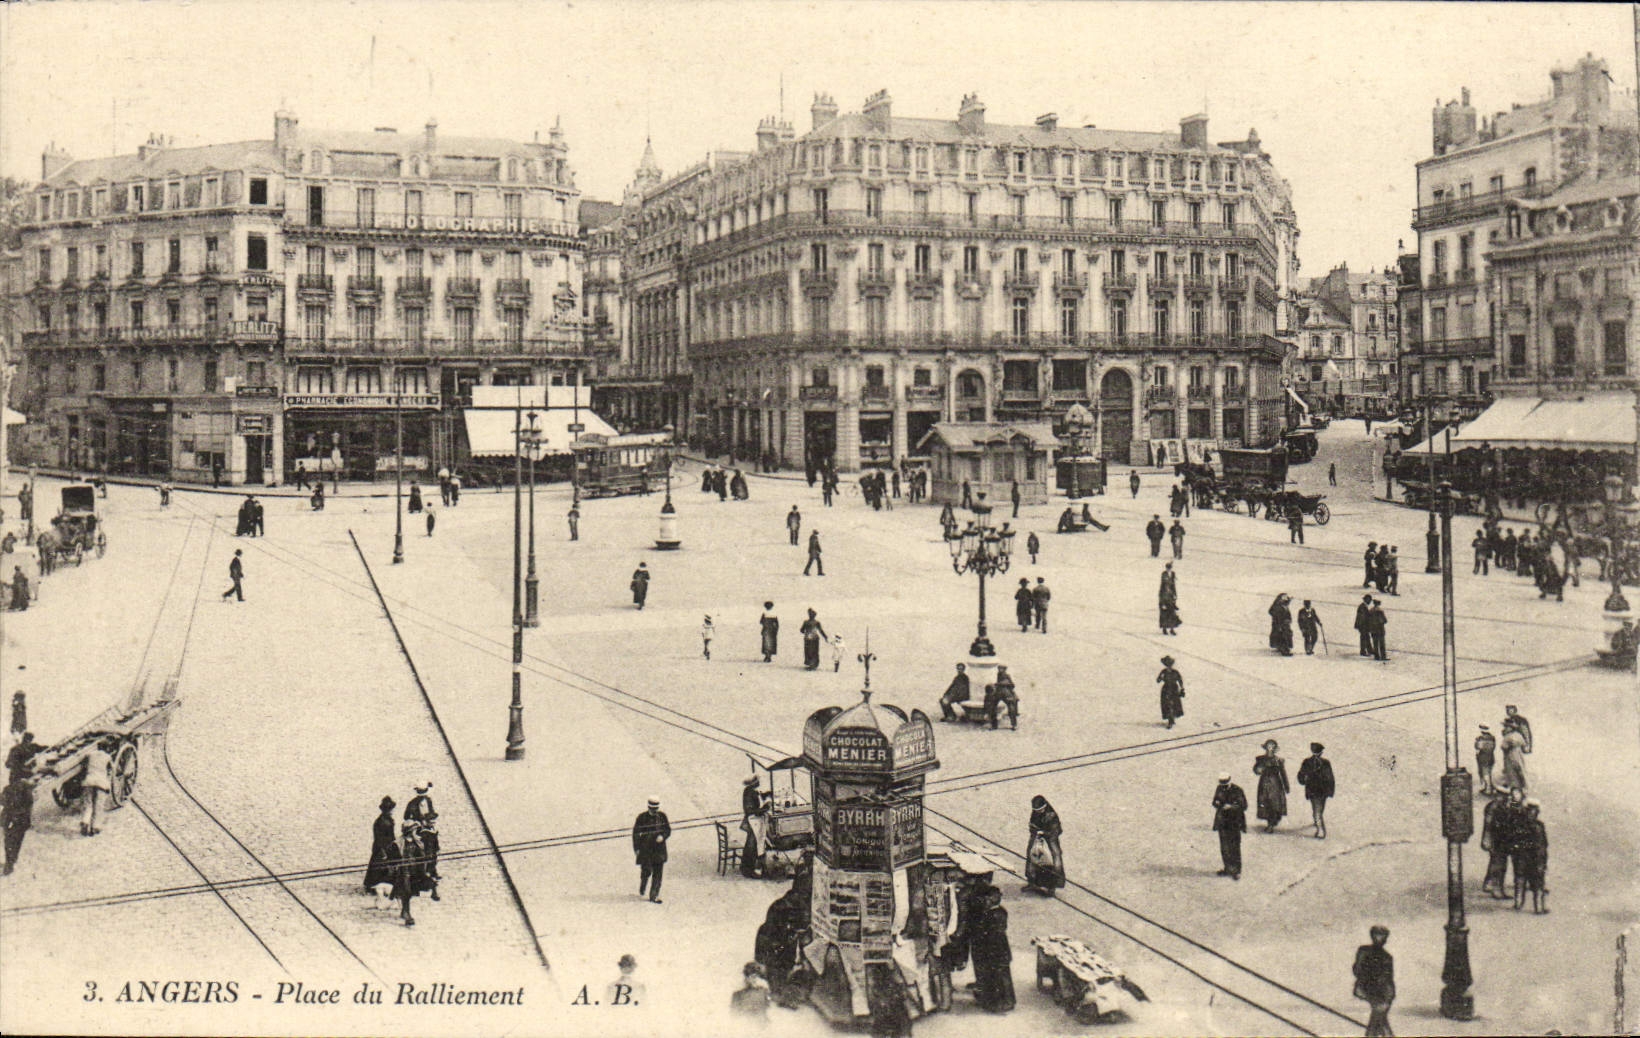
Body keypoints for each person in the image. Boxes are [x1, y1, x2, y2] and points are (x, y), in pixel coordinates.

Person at [969, 887, 1015, 1012]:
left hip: (994, 951)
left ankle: (998, 1003)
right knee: (1002, 976)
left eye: (988, 898)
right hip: (1001, 950)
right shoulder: (1000, 911)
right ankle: (1007, 1001)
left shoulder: (992, 914)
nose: (986, 900)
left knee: (996, 977)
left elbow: (989, 932)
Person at [1352, 926, 1395, 1038]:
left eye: (1382, 936)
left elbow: (1388, 978)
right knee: (1379, 1014)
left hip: (1382, 992)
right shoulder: (1364, 951)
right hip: (1368, 989)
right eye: (1377, 935)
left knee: (1379, 1016)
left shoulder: (1387, 957)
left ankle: (1374, 1034)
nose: (1379, 939)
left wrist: (1389, 994)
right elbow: (1357, 970)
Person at [1480, 788, 1521, 899]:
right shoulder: (1493, 807)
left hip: (1504, 839)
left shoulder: (1507, 804)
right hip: (1496, 839)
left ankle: (1488, 884)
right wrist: (1486, 840)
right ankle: (1496, 890)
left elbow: (1517, 815)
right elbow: (1488, 826)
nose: (1506, 797)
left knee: (1496, 861)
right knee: (1499, 864)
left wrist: (1516, 802)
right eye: (1503, 795)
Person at [404, 780, 440, 901]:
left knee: (433, 851)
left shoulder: (428, 800)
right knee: (421, 853)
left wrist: (430, 820)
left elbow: (431, 812)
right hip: (419, 831)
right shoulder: (412, 804)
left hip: (429, 829)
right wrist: (417, 823)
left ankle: (432, 870)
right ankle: (423, 876)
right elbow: (406, 817)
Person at [1024, 795, 1065, 893]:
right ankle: (1032, 881)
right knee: (1032, 855)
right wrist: (1034, 829)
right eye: (1036, 810)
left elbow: (1056, 831)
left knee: (1054, 858)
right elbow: (1032, 823)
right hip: (1037, 836)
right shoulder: (1035, 812)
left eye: (1040, 810)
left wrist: (1044, 832)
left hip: (1050, 838)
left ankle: (1052, 885)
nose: (1038, 811)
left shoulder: (1051, 815)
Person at [632, 797, 670, 903]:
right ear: (648, 807)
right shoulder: (641, 817)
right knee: (646, 871)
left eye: (656, 809)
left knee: (658, 874)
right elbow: (635, 834)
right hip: (646, 850)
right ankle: (643, 885)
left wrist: (663, 836)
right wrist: (637, 849)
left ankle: (654, 896)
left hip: (659, 850)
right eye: (652, 809)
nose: (654, 811)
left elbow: (667, 829)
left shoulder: (662, 817)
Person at [396, 821, 433, 925]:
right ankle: (407, 913)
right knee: (406, 891)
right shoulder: (399, 843)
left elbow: (421, 854)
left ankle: (404, 910)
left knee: (412, 891)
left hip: (415, 870)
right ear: (409, 831)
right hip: (404, 871)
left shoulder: (417, 842)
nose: (416, 832)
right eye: (414, 830)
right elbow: (392, 855)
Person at [1295, 743, 1334, 839]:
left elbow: (1301, 775)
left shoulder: (1311, 762)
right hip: (1316, 790)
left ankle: (1318, 823)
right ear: (1321, 752)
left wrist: (1303, 781)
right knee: (1318, 810)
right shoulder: (1321, 762)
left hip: (1319, 790)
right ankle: (1320, 829)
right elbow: (1330, 778)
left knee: (1318, 810)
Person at [1212, 774, 1248, 878]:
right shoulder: (1219, 788)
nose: (1223, 786)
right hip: (1222, 821)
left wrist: (1231, 807)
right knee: (1224, 847)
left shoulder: (1237, 790)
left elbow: (1244, 805)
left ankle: (1236, 871)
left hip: (1234, 822)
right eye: (1222, 784)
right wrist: (1217, 803)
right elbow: (1214, 801)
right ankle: (1227, 868)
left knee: (1234, 846)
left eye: (1225, 784)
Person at [1253, 739, 1289, 832]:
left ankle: (1271, 824)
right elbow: (1256, 770)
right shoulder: (1260, 759)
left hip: (1275, 783)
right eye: (1269, 746)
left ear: (1274, 748)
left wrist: (1286, 786)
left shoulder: (1278, 760)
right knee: (1265, 802)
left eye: (1272, 746)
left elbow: (1283, 773)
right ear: (1265, 747)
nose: (1270, 748)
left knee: (1274, 804)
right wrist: (1258, 769)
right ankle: (1270, 823)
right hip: (1264, 783)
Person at [79, 738, 113, 837]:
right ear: (107, 748)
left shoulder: (90, 755)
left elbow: (84, 766)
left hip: (89, 781)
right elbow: (111, 770)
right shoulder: (108, 757)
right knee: (98, 805)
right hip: (101, 783)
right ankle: (95, 827)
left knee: (88, 804)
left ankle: (85, 821)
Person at [364, 795, 399, 893]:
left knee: (379, 866)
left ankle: (375, 884)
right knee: (380, 866)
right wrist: (384, 850)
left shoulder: (385, 820)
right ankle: (375, 885)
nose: (392, 811)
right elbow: (379, 838)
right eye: (391, 809)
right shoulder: (382, 821)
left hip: (386, 846)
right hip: (383, 847)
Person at [1, 772, 33, 876]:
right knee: (17, 841)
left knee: (8, 841)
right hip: (21, 820)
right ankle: (11, 861)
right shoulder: (26, 789)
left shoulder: (8, 789)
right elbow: (29, 803)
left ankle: (9, 862)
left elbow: (1, 800)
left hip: (9, 819)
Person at [740, 775, 770, 878]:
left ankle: (753, 868)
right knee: (752, 846)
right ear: (753, 783)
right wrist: (764, 809)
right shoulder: (749, 793)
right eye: (757, 781)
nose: (759, 783)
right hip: (753, 821)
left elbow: (758, 796)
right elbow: (750, 810)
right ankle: (749, 870)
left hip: (755, 821)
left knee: (754, 844)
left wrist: (766, 794)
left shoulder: (750, 790)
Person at [985, 666, 1019, 731]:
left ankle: (1014, 725)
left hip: (1006, 693)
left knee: (1011, 708)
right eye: (999, 669)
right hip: (998, 692)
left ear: (1005, 669)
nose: (1000, 670)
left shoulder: (1007, 675)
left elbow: (1012, 685)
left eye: (1002, 669)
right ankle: (994, 725)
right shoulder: (998, 675)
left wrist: (1004, 684)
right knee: (992, 706)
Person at [1500, 718, 1528, 792]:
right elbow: (1524, 745)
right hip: (1519, 754)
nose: (1505, 728)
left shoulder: (1508, 737)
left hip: (1510, 755)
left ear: (1510, 728)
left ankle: (1514, 788)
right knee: (1520, 769)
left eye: (1506, 727)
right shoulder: (1518, 735)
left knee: (1511, 771)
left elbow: (1504, 747)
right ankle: (1523, 786)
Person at [1157, 655, 1185, 728]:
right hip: (1166, 689)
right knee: (1168, 704)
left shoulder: (1174, 672)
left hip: (1173, 689)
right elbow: (1158, 680)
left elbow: (1180, 680)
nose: (1168, 665)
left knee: (1173, 704)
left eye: (1169, 664)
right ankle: (1170, 720)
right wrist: (1161, 678)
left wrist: (1182, 688)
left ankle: (1171, 720)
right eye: (1167, 664)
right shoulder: (1164, 671)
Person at [1474, 725, 1497, 794]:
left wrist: (1476, 742)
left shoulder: (1480, 738)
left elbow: (1478, 747)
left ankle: (1488, 789)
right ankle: (1488, 787)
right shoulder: (1492, 738)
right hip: (1491, 756)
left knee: (1485, 773)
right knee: (1488, 773)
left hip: (1483, 757)